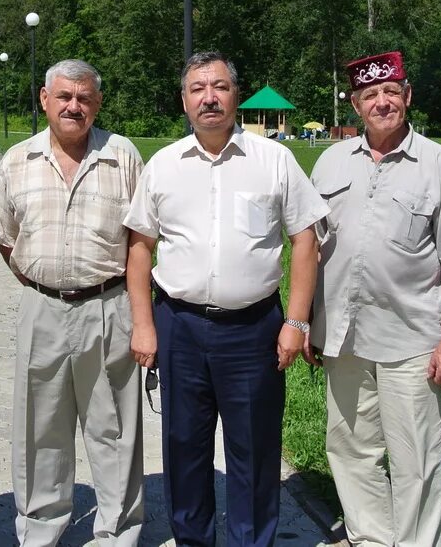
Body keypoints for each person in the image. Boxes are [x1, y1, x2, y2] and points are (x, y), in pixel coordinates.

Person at [124, 51, 328, 547]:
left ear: (236, 95)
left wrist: (296, 321)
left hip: (254, 329)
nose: (209, 97)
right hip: (180, 326)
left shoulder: (274, 160)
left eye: (219, 87)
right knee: (183, 447)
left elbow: (306, 238)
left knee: (254, 451)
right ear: (184, 100)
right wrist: (144, 324)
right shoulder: (164, 165)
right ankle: (192, 539)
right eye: (198, 88)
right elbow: (139, 247)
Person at [307, 50, 441, 547]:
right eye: (371, 95)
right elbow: (309, 248)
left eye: (392, 92)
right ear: (355, 104)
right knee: (349, 447)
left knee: (417, 458)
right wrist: (303, 321)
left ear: (408, 96)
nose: (383, 102)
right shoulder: (329, 161)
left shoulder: (437, 164)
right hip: (341, 335)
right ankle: (369, 537)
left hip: (412, 337)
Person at [0, 59, 145, 547]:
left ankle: (117, 532)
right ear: (45, 99)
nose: (73, 106)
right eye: (64, 97)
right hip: (42, 309)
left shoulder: (123, 157)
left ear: (97, 104)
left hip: (109, 306)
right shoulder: (17, 160)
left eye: (84, 98)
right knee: (40, 429)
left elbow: (142, 240)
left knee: (114, 429)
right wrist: (43, 282)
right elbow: (5, 238)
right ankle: (41, 530)